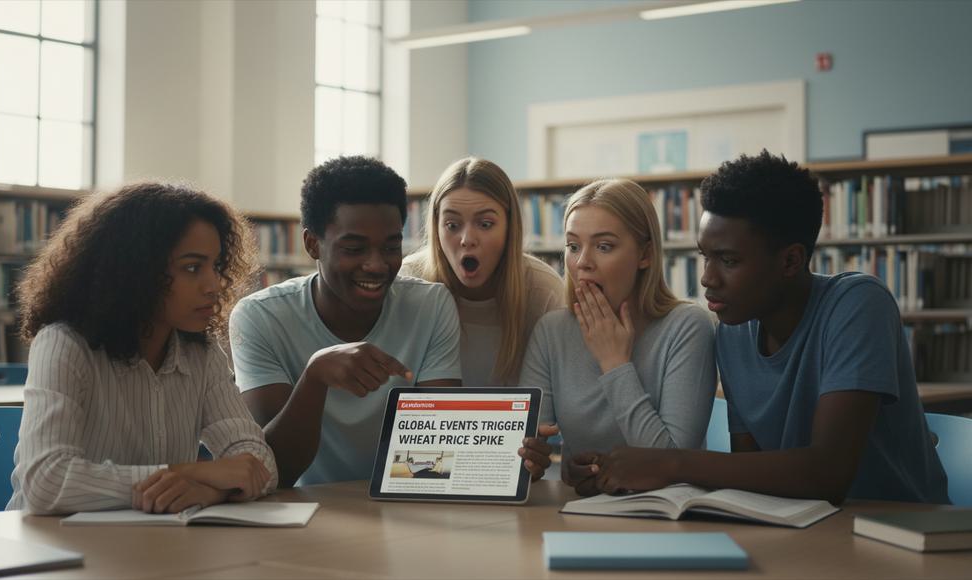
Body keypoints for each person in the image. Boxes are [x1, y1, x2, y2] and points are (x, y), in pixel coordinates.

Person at [570, 151, 949, 504]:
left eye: (728, 260)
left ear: (791, 261)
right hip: (803, 527)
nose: (706, 279)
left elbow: (828, 473)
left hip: (896, 528)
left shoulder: (858, 303)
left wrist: (669, 464)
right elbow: (748, 474)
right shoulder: (732, 331)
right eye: (705, 256)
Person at [8, 182, 277, 515]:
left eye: (216, 266)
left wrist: (208, 493)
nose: (214, 285)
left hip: (154, 544)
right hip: (51, 550)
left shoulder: (202, 352)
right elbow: (44, 483)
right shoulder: (64, 344)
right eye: (193, 268)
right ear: (135, 271)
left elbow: (259, 464)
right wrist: (184, 473)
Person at [231, 156, 461, 487]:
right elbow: (274, 468)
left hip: (403, 505)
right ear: (313, 244)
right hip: (303, 514)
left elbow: (440, 451)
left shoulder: (432, 306)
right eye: (354, 248)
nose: (377, 265)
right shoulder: (260, 317)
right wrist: (315, 376)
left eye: (391, 247)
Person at [517, 179, 716, 487]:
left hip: (665, 518)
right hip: (580, 514)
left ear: (645, 255)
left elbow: (672, 464)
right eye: (573, 246)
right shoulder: (551, 332)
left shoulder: (688, 326)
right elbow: (531, 448)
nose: (583, 263)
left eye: (604, 246)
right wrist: (545, 462)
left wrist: (615, 363)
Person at [401, 157, 564, 386]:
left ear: (510, 226)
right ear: (436, 226)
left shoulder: (543, 290)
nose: (467, 240)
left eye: (485, 224)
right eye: (452, 225)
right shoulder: (409, 281)